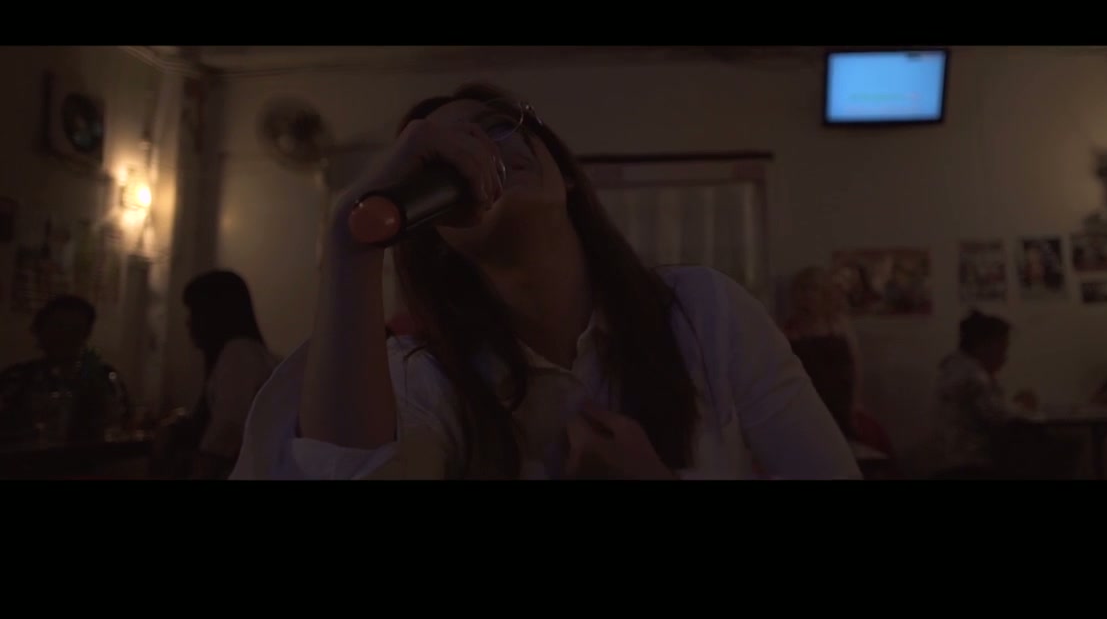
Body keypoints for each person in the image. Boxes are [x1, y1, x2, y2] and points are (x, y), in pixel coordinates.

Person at [232, 83, 860, 480]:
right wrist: (351, 242)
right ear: (435, 234)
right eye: (450, 157)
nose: (486, 152)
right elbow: (335, 469)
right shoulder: (426, 379)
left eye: (498, 126)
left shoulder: (707, 314)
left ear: (566, 173)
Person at [179, 271, 278, 479]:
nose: (187, 322)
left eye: (194, 312)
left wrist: (202, 467)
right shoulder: (244, 353)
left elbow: (227, 429)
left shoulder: (239, 354)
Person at [0, 295, 128, 444]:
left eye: (75, 329)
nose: (65, 336)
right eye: (58, 327)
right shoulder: (17, 379)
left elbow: (124, 426)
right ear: (40, 331)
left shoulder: (106, 379)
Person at [932, 311, 1043, 479]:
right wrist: (1023, 407)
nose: (1005, 355)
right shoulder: (974, 375)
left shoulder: (954, 366)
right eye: (1002, 347)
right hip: (968, 463)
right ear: (984, 346)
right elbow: (1000, 417)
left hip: (946, 460)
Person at [782, 266, 864, 437]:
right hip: (804, 404)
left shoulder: (839, 325)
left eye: (814, 289)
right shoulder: (789, 330)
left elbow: (855, 366)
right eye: (803, 289)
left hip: (839, 402)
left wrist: (855, 404)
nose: (808, 295)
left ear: (825, 293)